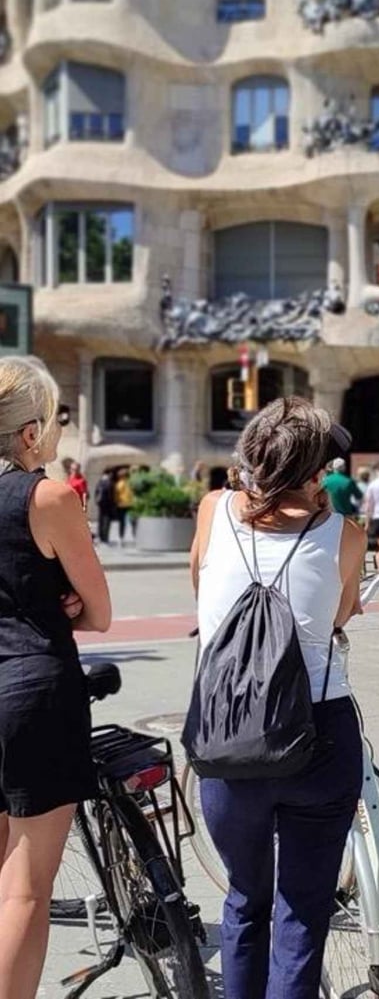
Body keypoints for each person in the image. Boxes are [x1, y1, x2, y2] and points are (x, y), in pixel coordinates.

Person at [190, 397, 365, 999]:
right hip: (318, 732)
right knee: (303, 908)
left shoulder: (213, 511)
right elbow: (341, 613)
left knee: (245, 897)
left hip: (227, 731)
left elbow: (199, 585)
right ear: (315, 473)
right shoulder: (344, 535)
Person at [0, 356, 111, 998]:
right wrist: (62, 604)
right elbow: (99, 611)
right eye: (56, 419)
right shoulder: (46, 496)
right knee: (25, 887)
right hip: (32, 689)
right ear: (30, 433)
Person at [93, 467, 118, 544]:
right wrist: (113, 504)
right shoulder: (110, 482)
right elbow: (111, 495)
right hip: (108, 504)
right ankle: (105, 537)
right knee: (107, 520)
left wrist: (97, 501)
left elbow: (96, 492)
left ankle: (100, 536)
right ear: (109, 474)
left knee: (100, 519)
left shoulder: (100, 481)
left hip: (100, 503)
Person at [112, 466, 135, 545]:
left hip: (121, 504)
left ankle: (121, 537)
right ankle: (134, 535)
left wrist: (116, 502)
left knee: (122, 522)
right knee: (132, 521)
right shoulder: (129, 483)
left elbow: (116, 495)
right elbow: (132, 493)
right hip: (129, 504)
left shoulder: (118, 484)